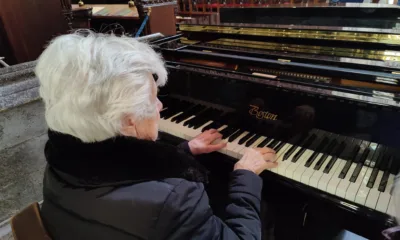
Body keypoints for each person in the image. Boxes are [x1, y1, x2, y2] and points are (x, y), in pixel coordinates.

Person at [35, 30, 277, 240]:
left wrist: (183, 151)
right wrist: (245, 177)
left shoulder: (61, 154)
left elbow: (119, 173)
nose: (160, 106)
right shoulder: (174, 199)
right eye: (153, 98)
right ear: (129, 120)